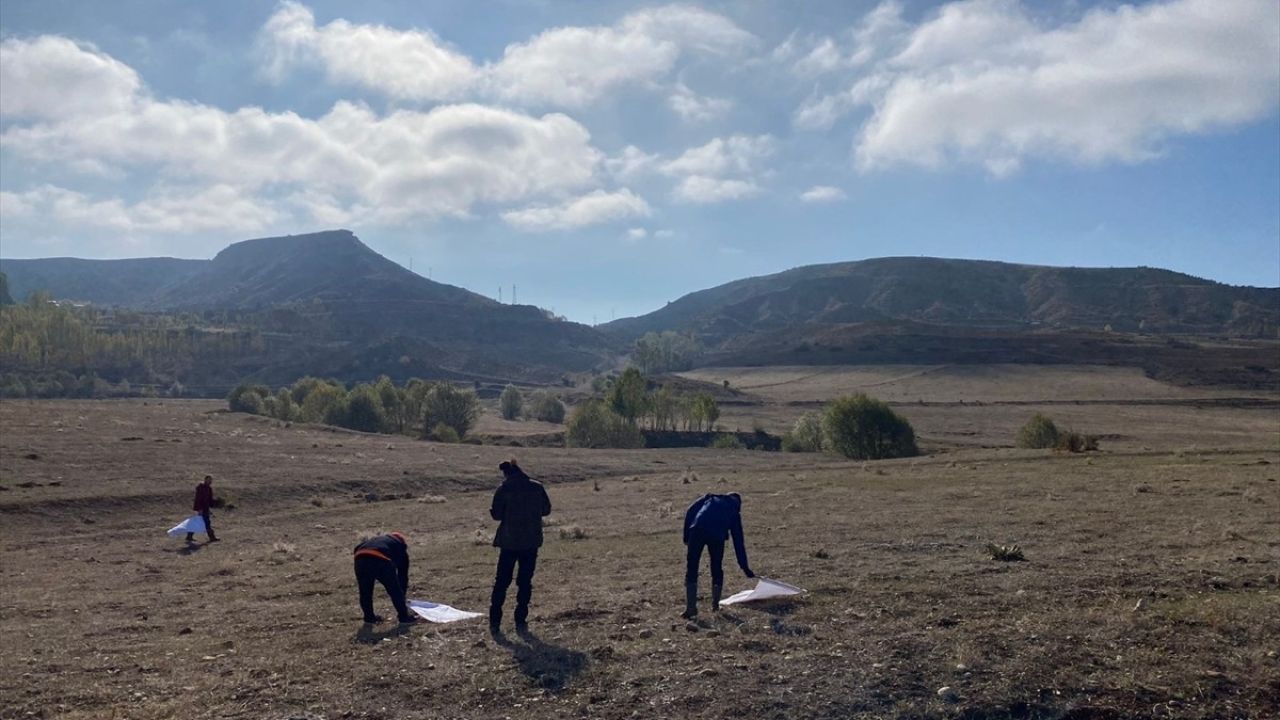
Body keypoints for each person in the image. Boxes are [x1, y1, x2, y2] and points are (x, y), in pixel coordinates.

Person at [488, 459, 551, 631]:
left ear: (506, 473)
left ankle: (495, 619)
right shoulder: (537, 487)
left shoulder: (504, 488)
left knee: (501, 581)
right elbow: (546, 510)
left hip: (509, 542)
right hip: (531, 541)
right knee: (525, 581)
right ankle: (520, 618)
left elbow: (497, 515)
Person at [682, 492, 754, 619]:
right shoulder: (734, 512)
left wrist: (686, 537)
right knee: (716, 568)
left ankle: (690, 608)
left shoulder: (710, 498)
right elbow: (738, 541)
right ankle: (715, 606)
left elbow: (690, 511)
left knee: (692, 568)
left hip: (697, 530)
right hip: (716, 536)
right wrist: (745, 567)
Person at [353, 532, 417, 625]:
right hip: (379, 559)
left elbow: (357, 548)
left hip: (360, 558)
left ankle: (369, 618)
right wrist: (402, 596)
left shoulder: (377, 540)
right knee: (394, 589)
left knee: (365, 592)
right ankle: (404, 617)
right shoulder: (400, 546)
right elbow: (402, 576)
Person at [186, 475, 219, 543]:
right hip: (201, 508)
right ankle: (212, 537)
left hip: (205, 508)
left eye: (210, 480)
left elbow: (209, 499)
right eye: (208, 480)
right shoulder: (201, 488)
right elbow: (198, 499)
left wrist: (215, 504)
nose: (210, 481)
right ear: (205, 480)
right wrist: (200, 509)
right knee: (206, 523)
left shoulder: (209, 488)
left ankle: (189, 536)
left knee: (199, 522)